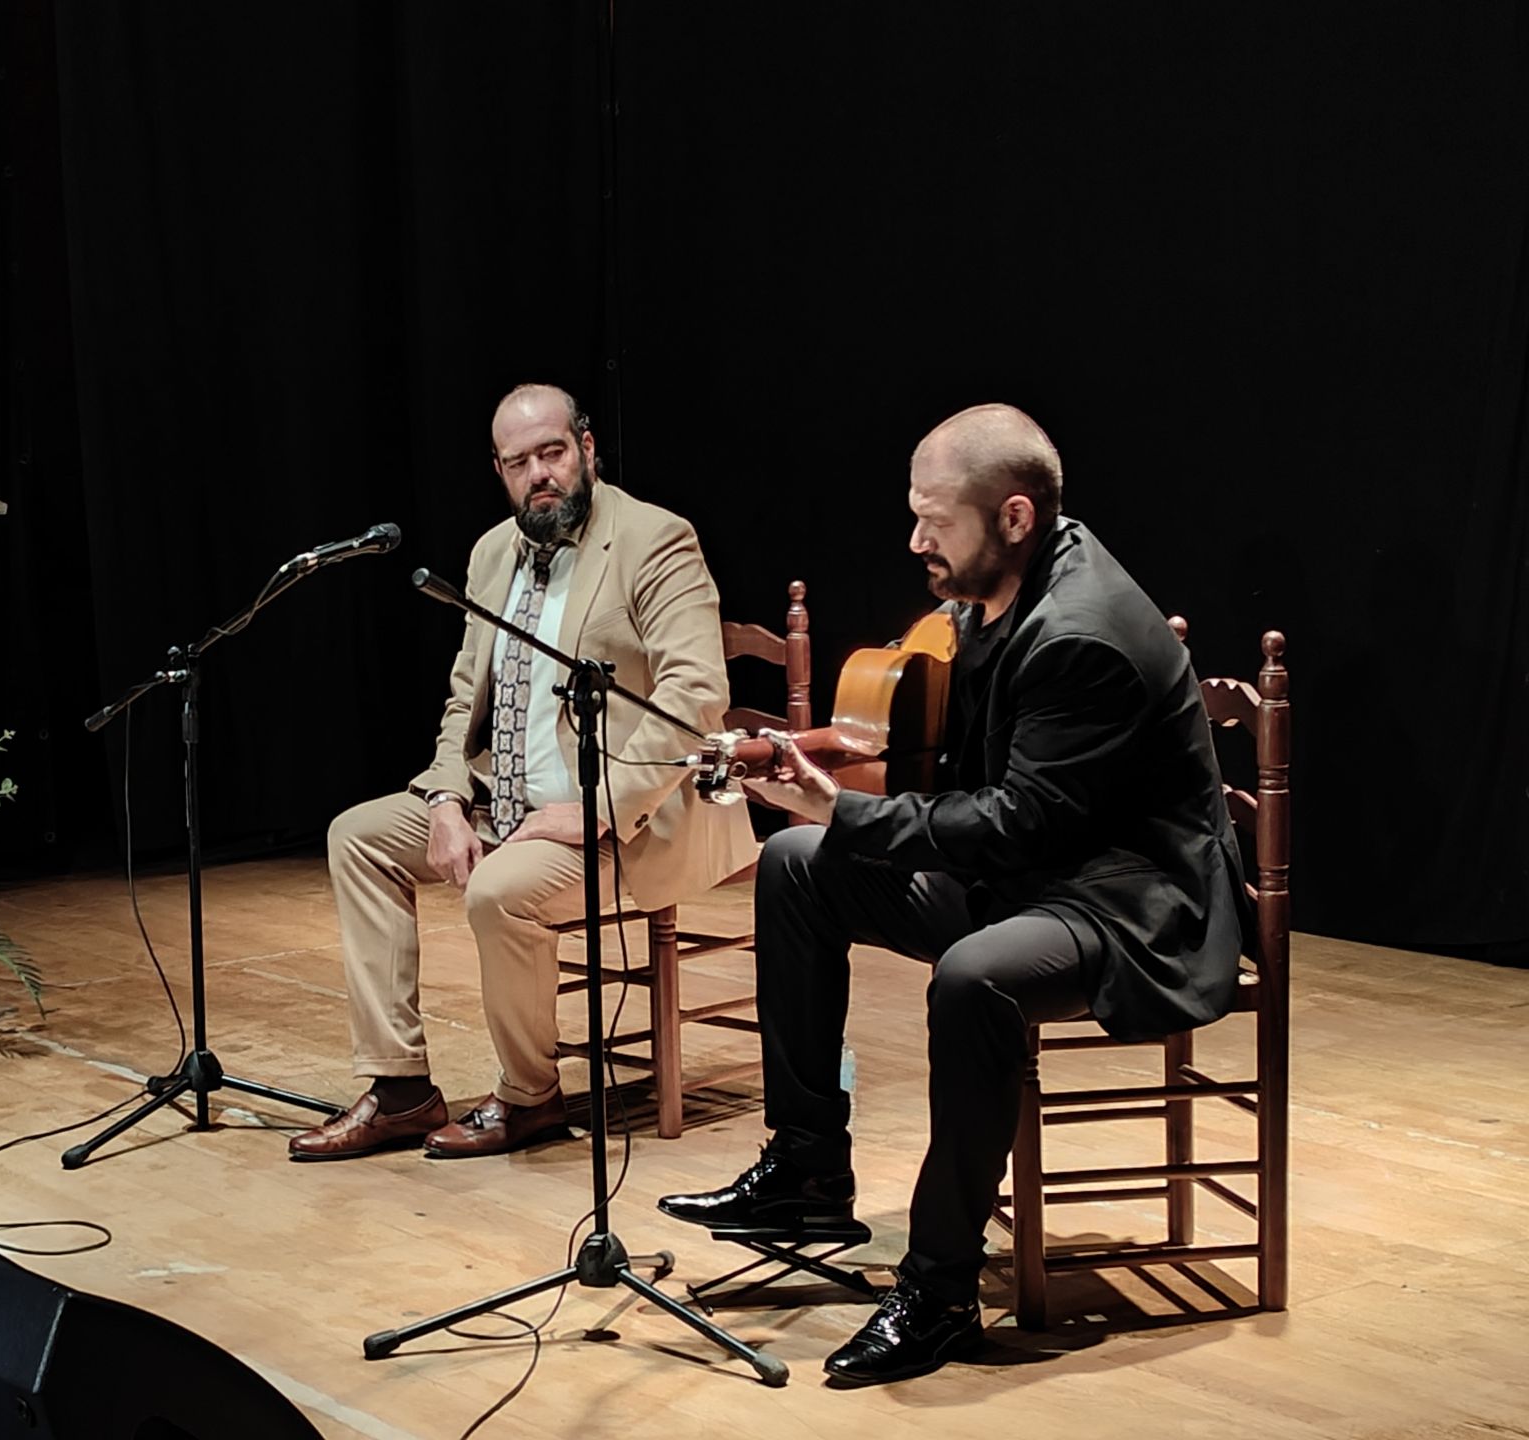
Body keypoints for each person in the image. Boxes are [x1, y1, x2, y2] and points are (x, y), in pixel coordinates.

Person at [658, 403, 1249, 1386]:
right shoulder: (996, 584)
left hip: (1128, 905)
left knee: (975, 977)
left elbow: (1014, 821)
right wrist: (797, 762)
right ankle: (808, 1168)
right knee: (796, 865)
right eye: (914, 514)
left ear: (1014, 516)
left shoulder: (1080, 636)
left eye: (935, 519)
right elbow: (955, 772)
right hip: (1029, 876)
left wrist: (845, 810)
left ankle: (939, 1290)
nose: (915, 539)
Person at [290, 383, 756, 1162]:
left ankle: (529, 1099)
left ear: (586, 449)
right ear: (500, 472)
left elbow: (697, 694)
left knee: (498, 890)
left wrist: (599, 804)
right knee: (359, 837)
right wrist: (443, 794)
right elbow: (462, 697)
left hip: (625, 817)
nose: (540, 474)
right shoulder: (488, 554)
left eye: (553, 454)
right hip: (507, 803)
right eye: (520, 463)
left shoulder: (654, 538)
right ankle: (401, 1088)